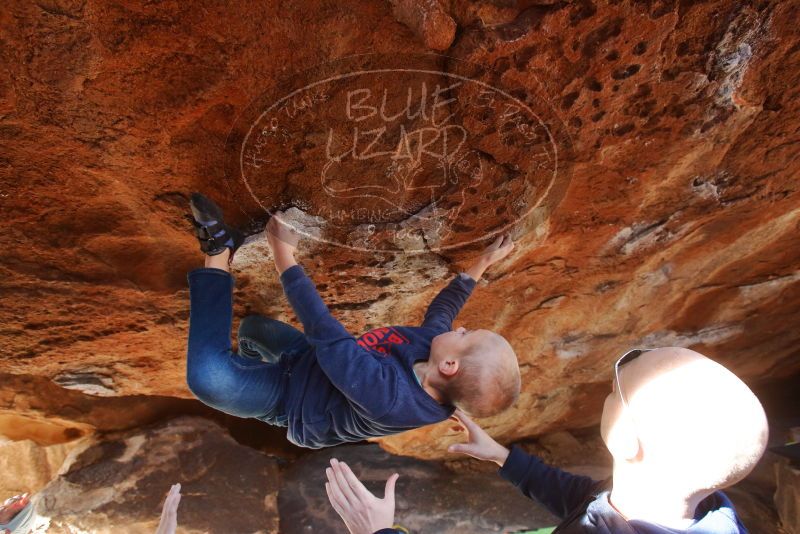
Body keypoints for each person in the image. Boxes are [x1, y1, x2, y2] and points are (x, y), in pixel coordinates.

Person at [184, 193, 521, 448]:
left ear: (449, 365)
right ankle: (249, 375)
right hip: (311, 364)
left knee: (209, 379)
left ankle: (219, 251)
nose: (459, 328)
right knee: (253, 329)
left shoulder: (390, 401)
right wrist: (482, 264)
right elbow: (443, 312)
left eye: (466, 334)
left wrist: (282, 253)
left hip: (294, 403)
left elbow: (326, 333)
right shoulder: (435, 352)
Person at [325, 347, 769, 533]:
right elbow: (591, 499)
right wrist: (502, 456)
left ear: (627, 439)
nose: (606, 390)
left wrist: (379, 530)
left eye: (617, 389)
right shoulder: (695, 509)